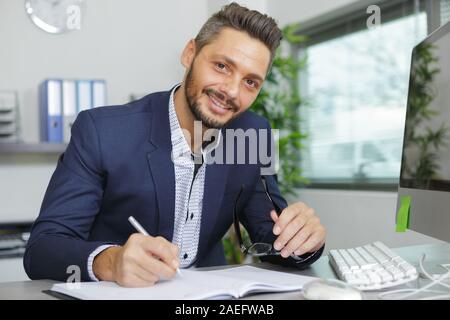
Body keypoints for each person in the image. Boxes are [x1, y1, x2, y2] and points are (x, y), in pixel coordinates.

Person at [24, 2, 326, 287]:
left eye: (250, 82)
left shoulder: (252, 133)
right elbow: (44, 247)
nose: (231, 91)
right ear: (189, 53)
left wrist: (303, 240)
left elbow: (272, 238)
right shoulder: (103, 130)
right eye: (221, 66)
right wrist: (110, 262)